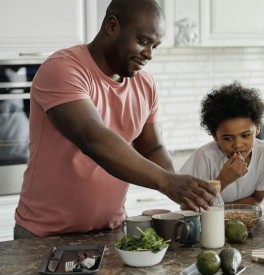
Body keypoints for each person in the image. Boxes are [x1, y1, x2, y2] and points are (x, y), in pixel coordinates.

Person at [14, 0, 216, 239]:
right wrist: (167, 182)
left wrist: (178, 185)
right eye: (142, 41)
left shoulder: (145, 84)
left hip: (111, 230)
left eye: (155, 46)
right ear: (112, 25)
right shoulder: (63, 69)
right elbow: (94, 139)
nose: (149, 54)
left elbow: (152, 147)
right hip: (45, 235)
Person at [179, 81, 264, 205]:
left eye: (245, 135)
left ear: (257, 128)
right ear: (215, 136)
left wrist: (222, 210)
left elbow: (257, 200)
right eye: (227, 138)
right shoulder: (205, 157)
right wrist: (223, 180)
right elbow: (188, 207)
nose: (237, 144)